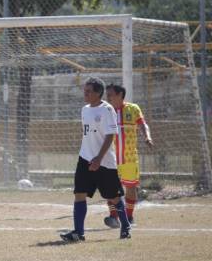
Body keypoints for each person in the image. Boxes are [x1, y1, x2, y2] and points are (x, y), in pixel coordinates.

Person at [60, 77, 132, 243]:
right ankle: (78, 232)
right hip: (85, 158)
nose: (85, 93)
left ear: (98, 93)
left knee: (113, 197)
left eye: (89, 91)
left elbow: (110, 135)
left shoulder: (107, 110)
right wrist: (89, 156)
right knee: (79, 194)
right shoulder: (84, 109)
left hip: (104, 161)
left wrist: (99, 159)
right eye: (84, 90)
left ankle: (125, 227)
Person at [103, 83, 154, 227]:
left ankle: (129, 217)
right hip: (110, 157)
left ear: (120, 95)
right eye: (107, 95)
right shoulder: (105, 111)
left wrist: (147, 137)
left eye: (110, 94)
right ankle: (113, 217)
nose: (108, 97)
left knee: (130, 188)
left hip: (129, 157)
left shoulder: (133, 108)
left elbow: (143, 124)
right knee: (110, 188)